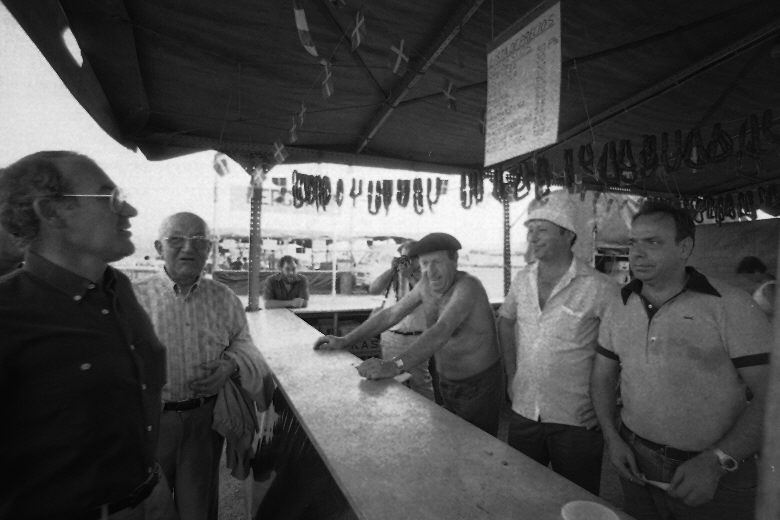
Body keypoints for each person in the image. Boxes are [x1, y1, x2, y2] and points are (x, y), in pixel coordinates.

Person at [0, 151, 167, 519]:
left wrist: (154, 486)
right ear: (52, 212)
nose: (130, 211)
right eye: (110, 198)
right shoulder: (8, 313)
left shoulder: (119, 288)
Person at [591, 200, 771, 520]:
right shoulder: (619, 304)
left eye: (653, 242)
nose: (637, 253)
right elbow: (603, 376)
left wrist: (718, 460)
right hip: (635, 457)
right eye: (633, 242)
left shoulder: (731, 305)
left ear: (684, 247)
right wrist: (612, 437)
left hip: (712, 468)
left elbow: (772, 395)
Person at [133, 212, 273, 520]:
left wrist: (230, 365)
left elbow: (245, 343)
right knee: (148, 507)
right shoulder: (135, 297)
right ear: (158, 248)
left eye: (198, 240)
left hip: (204, 420)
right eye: (176, 240)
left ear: (209, 249)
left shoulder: (224, 298)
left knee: (198, 506)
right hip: (150, 422)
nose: (188, 248)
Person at [314, 232, 503, 436]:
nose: (431, 272)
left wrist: (394, 366)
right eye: (425, 263)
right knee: (454, 440)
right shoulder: (425, 284)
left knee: (479, 445)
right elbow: (391, 314)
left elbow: (441, 330)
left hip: (478, 384)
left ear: (455, 260)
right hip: (448, 382)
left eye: (437, 262)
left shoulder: (468, 286)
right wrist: (345, 340)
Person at [496, 197, 618, 495]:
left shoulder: (600, 287)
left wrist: (613, 401)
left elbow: (624, 347)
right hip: (525, 409)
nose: (532, 238)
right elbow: (505, 321)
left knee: (577, 496)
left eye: (542, 230)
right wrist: (511, 375)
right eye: (530, 230)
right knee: (521, 492)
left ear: (567, 235)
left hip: (576, 417)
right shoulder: (522, 280)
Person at [368, 240, 435, 401]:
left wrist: (409, 276)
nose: (406, 261)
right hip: (392, 338)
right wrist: (392, 270)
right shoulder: (394, 274)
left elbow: (427, 296)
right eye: (403, 257)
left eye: (411, 257)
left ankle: (427, 415)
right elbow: (374, 289)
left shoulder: (427, 275)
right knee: (392, 381)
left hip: (417, 339)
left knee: (420, 381)